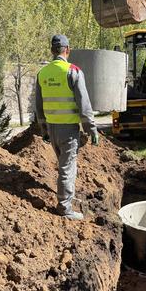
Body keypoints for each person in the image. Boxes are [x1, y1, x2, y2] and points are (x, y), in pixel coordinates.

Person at [35, 34, 99, 221]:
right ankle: (65, 208)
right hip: (68, 130)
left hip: (52, 129)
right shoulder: (73, 71)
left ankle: (66, 197)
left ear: (51, 50)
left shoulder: (43, 73)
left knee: (64, 167)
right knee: (67, 168)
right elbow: (84, 105)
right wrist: (91, 130)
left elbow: (38, 107)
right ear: (67, 50)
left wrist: (44, 130)